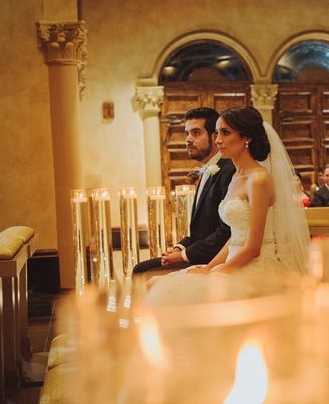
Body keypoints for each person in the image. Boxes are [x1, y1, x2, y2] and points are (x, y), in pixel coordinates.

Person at [145, 106, 310, 304]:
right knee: (155, 284)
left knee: (183, 295)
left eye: (225, 133)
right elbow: (235, 236)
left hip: (254, 265)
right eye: (217, 133)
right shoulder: (234, 178)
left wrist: (218, 270)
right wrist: (208, 268)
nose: (218, 140)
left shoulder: (258, 179)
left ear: (246, 137)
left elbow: (253, 247)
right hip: (231, 261)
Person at [132, 107, 235, 274]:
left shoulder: (228, 171)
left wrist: (184, 255)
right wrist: (179, 247)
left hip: (215, 258)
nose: (188, 139)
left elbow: (226, 231)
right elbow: (201, 231)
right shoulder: (207, 170)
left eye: (195, 133)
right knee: (141, 269)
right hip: (199, 252)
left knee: (142, 272)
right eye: (186, 133)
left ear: (215, 136)